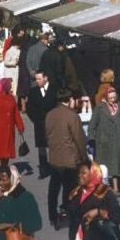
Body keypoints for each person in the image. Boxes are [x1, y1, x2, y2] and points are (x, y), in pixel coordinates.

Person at [45, 87, 88, 229]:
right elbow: (79, 139)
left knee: (53, 189)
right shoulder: (72, 116)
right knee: (69, 189)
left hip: (54, 158)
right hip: (70, 160)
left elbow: (47, 135)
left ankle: (52, 215)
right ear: (70, 100)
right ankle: (66, 214)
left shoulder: (50, 115)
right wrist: (85, 158)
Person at [92, 86, 120, 191]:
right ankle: (102, 186)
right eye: (111, 98)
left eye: (114, 97)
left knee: (116, 164)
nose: (113, 100)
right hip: (104, 140)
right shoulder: (99, 108)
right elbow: (93, 124)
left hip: (117, 139)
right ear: (106, 97)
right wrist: (92, 138)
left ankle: (116, 188)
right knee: (103, 165)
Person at [26, 71, 57, 177]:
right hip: (39, 122)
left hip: (53, 122)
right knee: (41, 146)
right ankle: (43, 168)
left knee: (53, 145)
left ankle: (55, 166)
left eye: (39, 79)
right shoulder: (33, 91)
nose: (37, 81)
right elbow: (29, 107)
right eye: (36, 79)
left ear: (45, 78)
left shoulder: (54, 90)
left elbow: (57, 105)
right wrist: (35, 119)